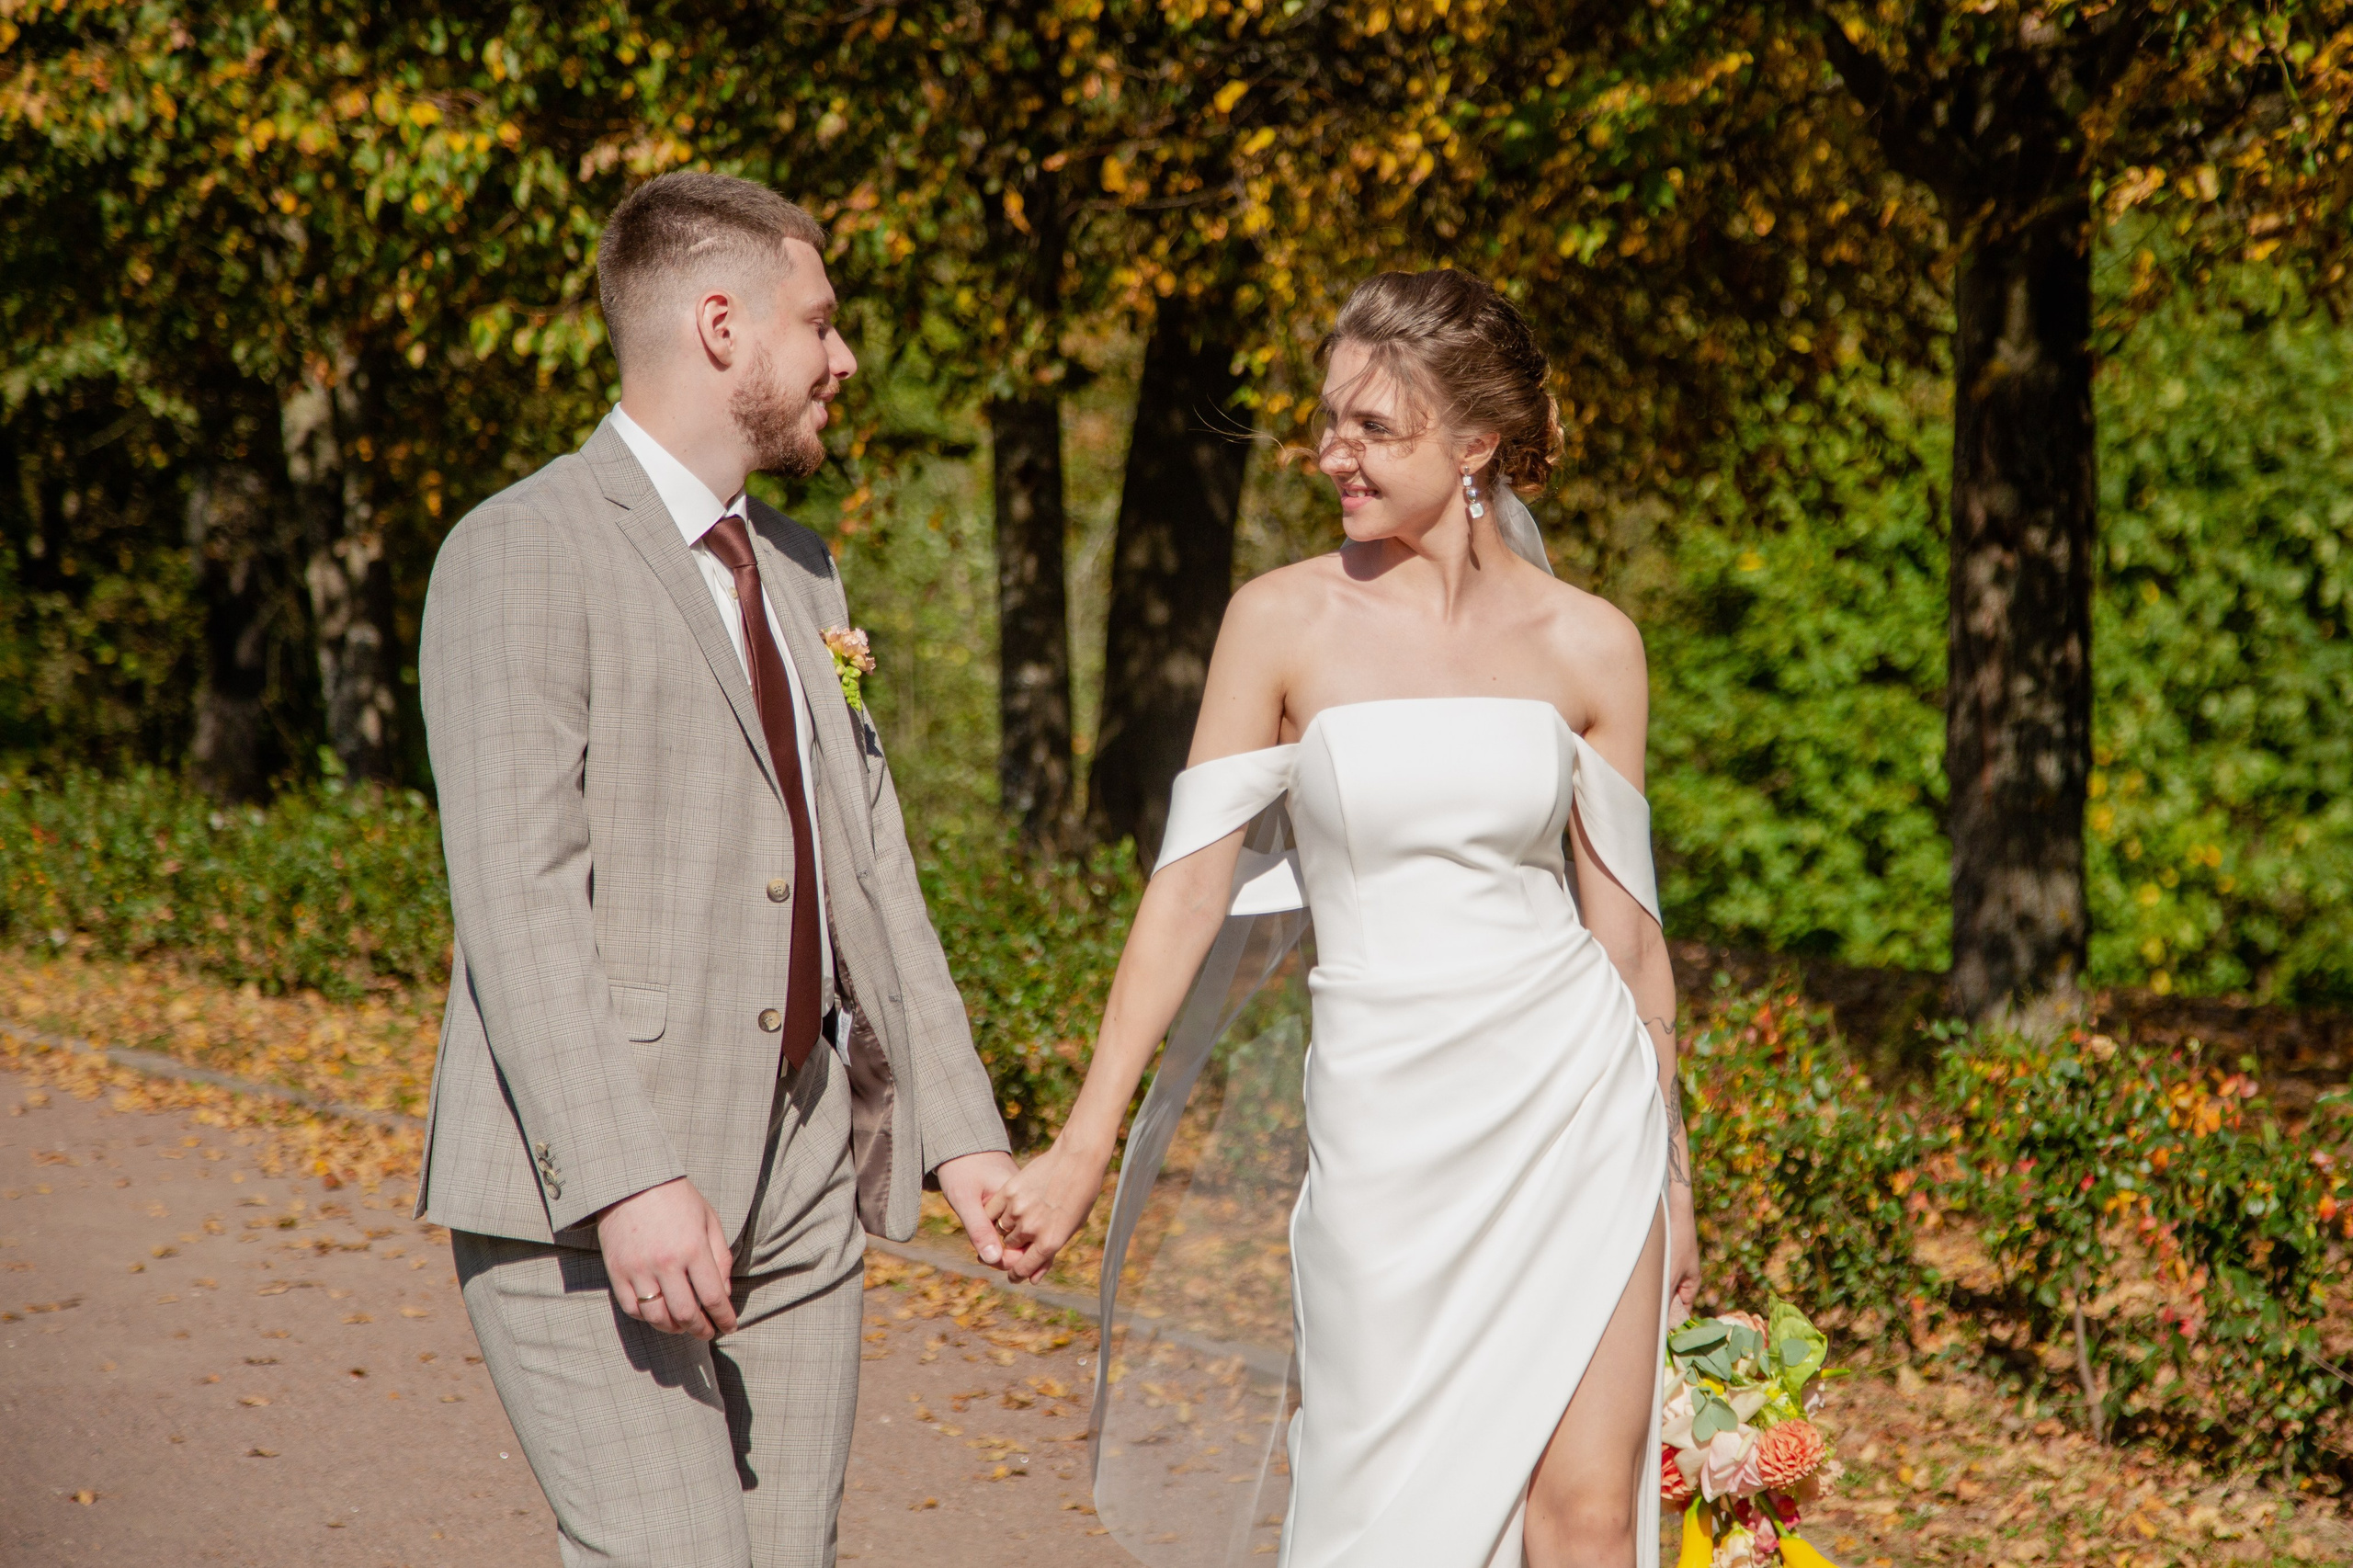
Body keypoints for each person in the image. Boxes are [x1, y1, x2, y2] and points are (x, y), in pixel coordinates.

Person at [984, 268, 1702, 1568]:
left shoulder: (1596, 646)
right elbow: (1188, 887)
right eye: (1330, 421)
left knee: (1589, 1521)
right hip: (1384, 1129)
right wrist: (1083, 1144)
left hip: (1579, 1113)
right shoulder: (1279, 621)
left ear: (1475, 441)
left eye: (1375, 427)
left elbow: (1631, 938)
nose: (1332, 454)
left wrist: (1676, 1177)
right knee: (1386, 1526)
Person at [415, 171, 1017, 1568]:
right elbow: (519, 903)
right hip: (590, 1197)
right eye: (823, 322)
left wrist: (960, 1132)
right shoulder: (518, 551)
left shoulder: (804, 575)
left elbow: (873, 870)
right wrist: (628, 1178)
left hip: (805, 1170)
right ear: (723, 323)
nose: (845, 358)